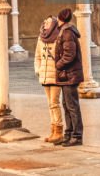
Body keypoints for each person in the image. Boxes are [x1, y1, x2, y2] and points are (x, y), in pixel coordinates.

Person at [53, 7, 84, 147]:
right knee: (67, 105)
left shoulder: (67, 33)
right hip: (67, 75)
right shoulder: (65, 31)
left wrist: (58, 65)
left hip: (70, 74)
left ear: (60, 19)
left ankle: (77, 136)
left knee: (72, 106)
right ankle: (69, 133)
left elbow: (69, 55)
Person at [35, 15, 64, 144]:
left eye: (48, 22)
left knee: (54, 103)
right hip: (45, 75)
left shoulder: (58, 38)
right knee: (50, 104)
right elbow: (37, 56)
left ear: (53, 25)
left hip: (56, 75)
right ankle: (53, 130)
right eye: (45, 22)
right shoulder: (41, 39)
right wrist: (38, 69)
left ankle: (58, 131)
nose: (45, 24)